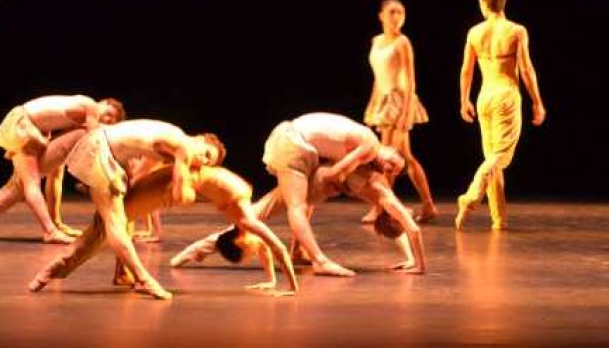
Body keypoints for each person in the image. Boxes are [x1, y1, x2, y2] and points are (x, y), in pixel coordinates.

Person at [29, 161, 299, 298]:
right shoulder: (246, 219)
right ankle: (53, 269)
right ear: (240, 241)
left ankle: (110, 272)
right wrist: (291, 287)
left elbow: (266, 248)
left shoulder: (242, 217)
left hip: (168, 184)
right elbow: (276, 246)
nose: (257, 250)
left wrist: (272, 280)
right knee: (102, 230)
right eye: (250, 252)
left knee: (111, 225)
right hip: (169, 185)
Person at [36, 119, 225, 299]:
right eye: (207, 154)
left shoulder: (170, 146)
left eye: (207, 163)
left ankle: (58, 268)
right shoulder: (184, 146)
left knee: (111, 222)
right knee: (115, 223)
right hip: (100, 150)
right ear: (200, 139)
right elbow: (181, 196)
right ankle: (143, 279)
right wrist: (197, 185)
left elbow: (139, 178)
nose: (202, 161)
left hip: (103, 149)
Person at [171, 162, 426, 275]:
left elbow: (401, 227)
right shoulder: (383, 195)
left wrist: (409, 257)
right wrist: (417, 264)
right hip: (307, 182)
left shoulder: (381, 197)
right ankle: (194, 251)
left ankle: (297, 252)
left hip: (315, 184)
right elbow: (410, 228)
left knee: (282, 213)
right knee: (251, 218)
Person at [0, 95, 125, 243]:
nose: (107, 119)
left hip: (35, 128)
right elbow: (95, 137)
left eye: (112, 120)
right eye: (109, 114)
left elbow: (72, 153)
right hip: (24, 124)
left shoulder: (80, 119)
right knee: (30, 184)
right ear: (103, 103)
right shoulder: (92, 106)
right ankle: (50, 231)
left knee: (18, 186)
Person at [259, 111, 404, 276]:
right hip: (294, 142)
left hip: (297, 142)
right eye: (392, 162)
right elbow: (336, 172)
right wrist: (337, 185)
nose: (387, 168)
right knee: (297, 206)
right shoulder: (371, 147)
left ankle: (297, 251)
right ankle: (320, 261)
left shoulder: (367, 145)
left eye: (390, 171)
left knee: (293, 203)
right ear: (390, 148)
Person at [455, 0, 546, 231]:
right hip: (506, 95)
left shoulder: (475, 32)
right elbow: (526, 69)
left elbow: (466, 70)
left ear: (483, 3)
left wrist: (464, 100)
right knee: (501, 156)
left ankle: (499, 219)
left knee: (492, 160)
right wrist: (537, 102)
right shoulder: (516, 31)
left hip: (484, 97)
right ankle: (471, 196)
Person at [362, 0, 437, 223]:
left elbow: (411, 80)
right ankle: (428, 206)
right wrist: (373, 105)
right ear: (381, 16)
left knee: (388, 157)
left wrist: (405, 114)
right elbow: (378, 78)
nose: (396, 17)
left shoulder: (403, 42)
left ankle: (382, 207)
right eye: (392, 12)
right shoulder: (376, 41)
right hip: (384, 102)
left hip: (400, 100)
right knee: (404, 157)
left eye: (400, 13)